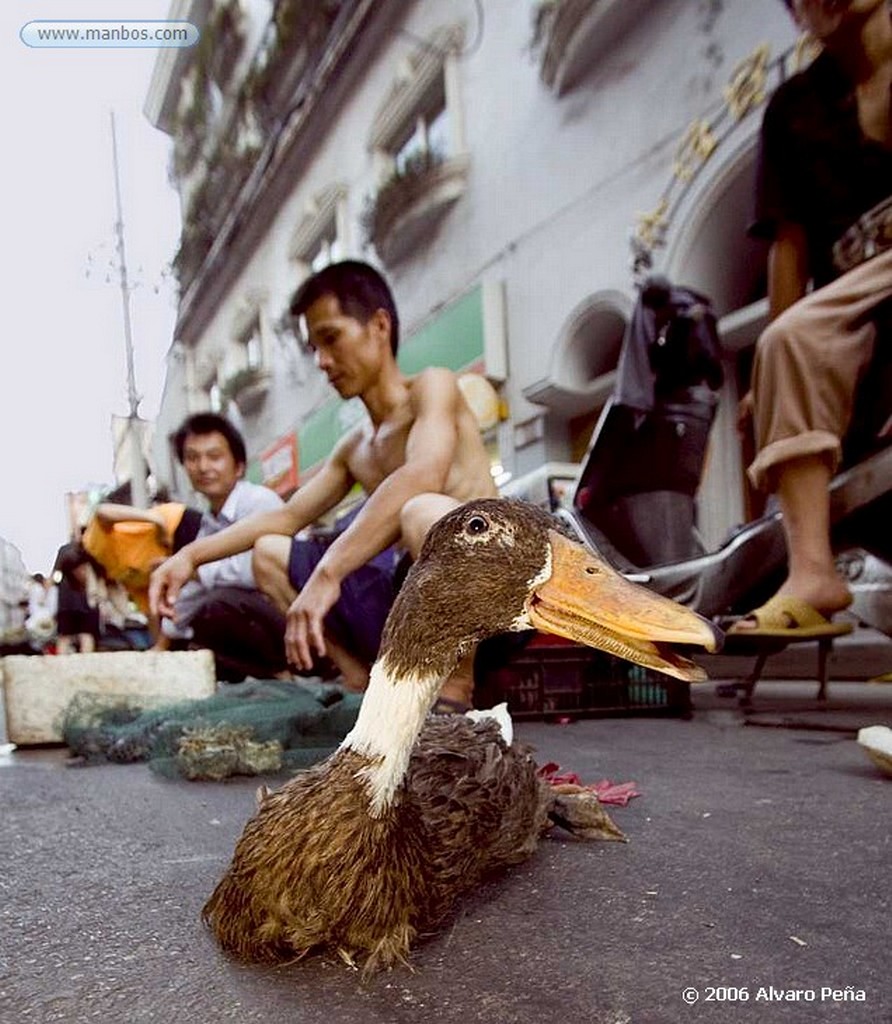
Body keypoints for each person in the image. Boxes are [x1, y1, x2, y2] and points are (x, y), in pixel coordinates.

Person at [150, 260, 498, 705]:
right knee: (268, 553)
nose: (323, 361)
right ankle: (362, 681)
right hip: (415, 608)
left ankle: (455, 689)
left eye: (331, 338)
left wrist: (330, 573)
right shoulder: (355, 449)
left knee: (422, 510)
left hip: (489, 606)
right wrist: (189, 557)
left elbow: (422, 474)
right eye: (314, 347)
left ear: (378, 326)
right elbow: (287, 516)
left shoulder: (434, 386)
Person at [731, 0, 892, 637]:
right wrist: (766, 379)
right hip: (857, 303)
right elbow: (788, 245)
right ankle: (812, 573)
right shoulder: (794, 109)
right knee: (788, 338)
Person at [161, 413, 292, 681]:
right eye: (192, 458)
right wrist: (165, 641)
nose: (203, 467)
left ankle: (284, 675)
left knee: (218, 605)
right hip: (255, 617)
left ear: (239, 466)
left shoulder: (258, 501)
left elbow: (250, 572)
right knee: (196, 620)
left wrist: (196, 569)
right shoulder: (209, 522)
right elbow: (190, 592)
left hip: (290, 611)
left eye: (214, 456)